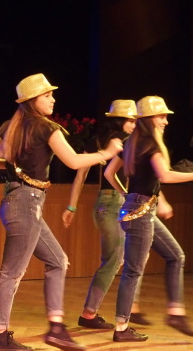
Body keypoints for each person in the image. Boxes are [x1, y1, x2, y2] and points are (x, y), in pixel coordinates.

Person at [0, 73, 123, 351]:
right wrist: (106, 153)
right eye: (47, 95)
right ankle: (1, 336)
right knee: (12, 272)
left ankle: (56, 327)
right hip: (26, 204)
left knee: (58, 261)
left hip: (17, 202)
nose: (53, 99)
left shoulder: (10, 126)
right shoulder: (47, 127)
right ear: (34, 100)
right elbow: (74, 161)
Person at [109, 96, 193, 342]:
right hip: (141, 213)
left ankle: (175, 313)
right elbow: (165, 176)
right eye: (161, 116)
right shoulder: (150, 145)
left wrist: (127, 196)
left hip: (139, 209)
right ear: (148, 119)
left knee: (175, 255)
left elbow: (109, 173)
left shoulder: (131, 142)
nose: (166, 121)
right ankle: (121, 328)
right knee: (133, 271)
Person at [62, 100, 150, 329]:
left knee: (124, 257)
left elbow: (80, 174)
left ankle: (113, 309)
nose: (134, 125)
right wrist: (126, 194)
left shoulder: (98, 141)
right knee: (117, 259)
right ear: (119, 121)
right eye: (131, 121)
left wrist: (72, 207)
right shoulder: (123, 141)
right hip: (115, 203)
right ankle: (91, 313)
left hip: (103, 205)